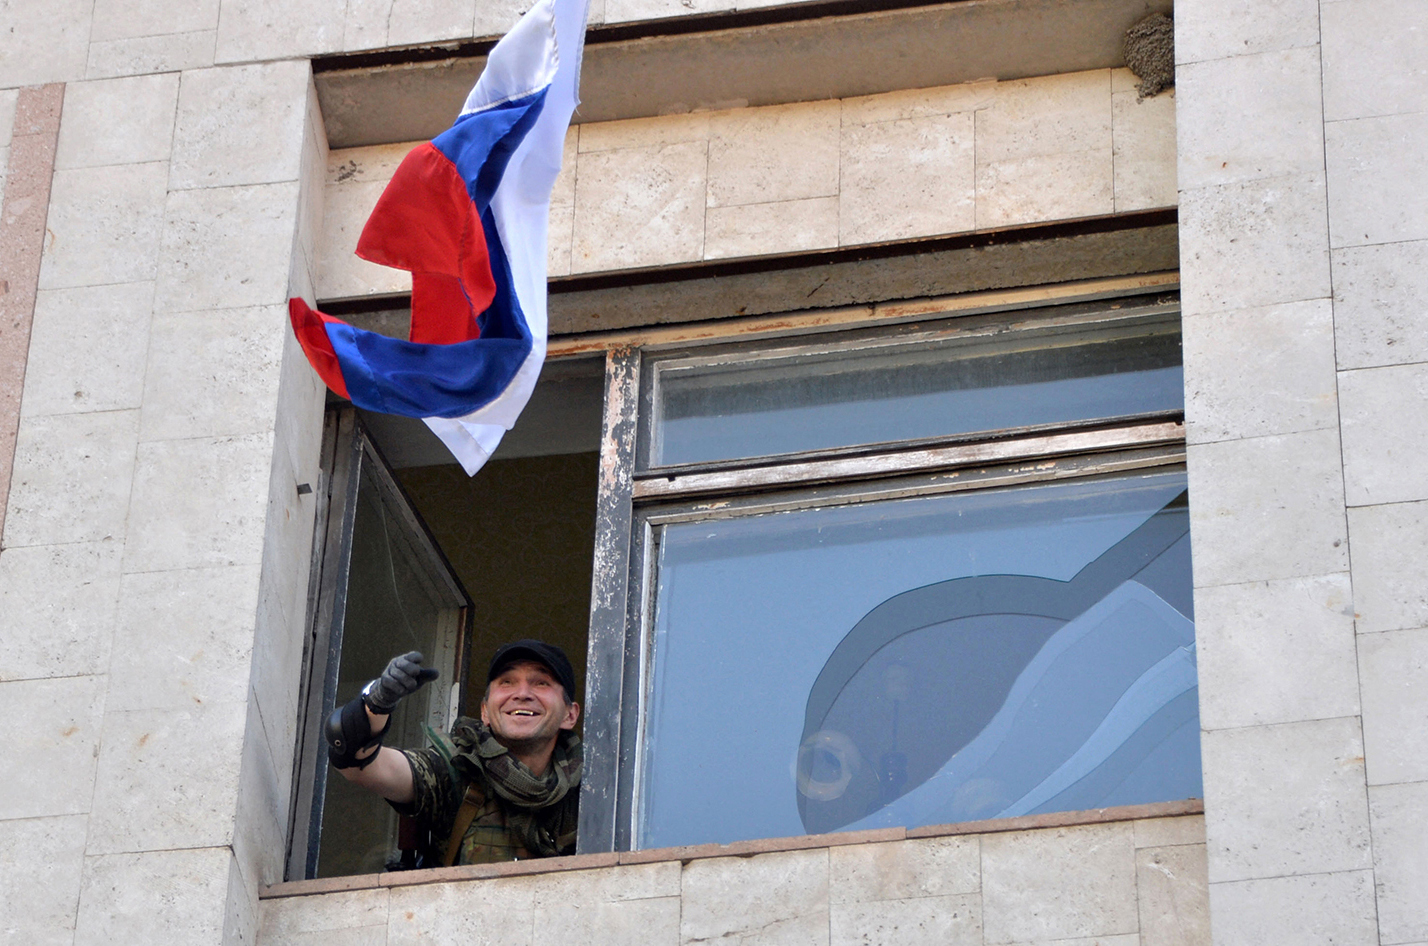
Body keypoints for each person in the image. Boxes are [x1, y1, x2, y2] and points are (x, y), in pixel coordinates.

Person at [326, 640, 582, 866]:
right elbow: (357, 764)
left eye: (541, 682)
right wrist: (377, 703)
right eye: (507, 682)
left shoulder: (596, 790)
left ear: (570, 715)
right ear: (484, 712)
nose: (523, 694)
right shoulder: (455, 768)